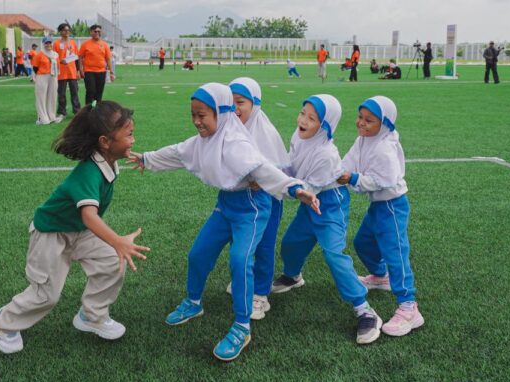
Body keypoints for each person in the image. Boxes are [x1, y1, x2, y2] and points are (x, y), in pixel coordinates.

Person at [128, 83, 320, 361]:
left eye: (202, 115)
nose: (196, 121)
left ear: (220, 113)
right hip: (227, 205)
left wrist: (294, 188)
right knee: (198, 253)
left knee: (240, 260)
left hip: (252, 209)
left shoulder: (235, 142)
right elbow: (179, 152)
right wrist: (147, 158)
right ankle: (193, 302)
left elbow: (263, 169)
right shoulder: (205, 139)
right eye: (193, 114)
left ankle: (242, 327)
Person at [0, 100, 149, 354]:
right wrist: (118, 241)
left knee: (112, 262)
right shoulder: (88, 172)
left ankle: (91, 316)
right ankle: (5, 322)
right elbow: (89, 216)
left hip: (79, 231)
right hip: (51, 234)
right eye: (129, 135)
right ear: (105, 142)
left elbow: (87, 220)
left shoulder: (108, 159)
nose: (133, 140)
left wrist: (144, 158)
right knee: (46, 294)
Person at [272, 94, 382, 345]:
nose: (302, 120)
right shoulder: (298, 136)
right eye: (303, 113)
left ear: (325, 126)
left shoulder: (326, 154)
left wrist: (276, 184)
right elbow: (291, 167)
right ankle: (293, 276)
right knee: (291, 243)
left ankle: (365, 309)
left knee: (333, 254)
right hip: (310, 202)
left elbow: (306, 188)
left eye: (312, 118)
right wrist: (273, 172)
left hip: (329, 204)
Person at [339, 96, 424, 337]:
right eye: (360, 117)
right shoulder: (364, 140)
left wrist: (352, 178)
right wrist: (334, 170)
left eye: (369, 120)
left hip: (392, 206)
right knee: (362, 243)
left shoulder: (385, 147)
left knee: (396, 254)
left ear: (384, 124)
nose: (361, 123)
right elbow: (348, 162)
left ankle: (409, 308)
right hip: (378, 206)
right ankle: (380, 276)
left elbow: (383, 181)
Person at [225, 77, 292, 320]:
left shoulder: (265, 132)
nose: (235, 108)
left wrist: (259, 180)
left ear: (255, 104)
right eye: (230, 102)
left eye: (240, 102)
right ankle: (243, 280)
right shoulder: (231, 128)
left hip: (268, 201)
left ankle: (260, 294)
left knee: (263, 245)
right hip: (242, 201)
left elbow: (277, 169)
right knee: (241, 243)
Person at [78, 24, 114, 107]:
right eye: (95, 31)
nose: (97, 33)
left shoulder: (105, 45)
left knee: (99, 92)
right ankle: (88, 110)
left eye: (99, 31)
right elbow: (80, 58)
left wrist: (111, 72)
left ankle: (97, 111)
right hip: (89, 71)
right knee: (91, 91)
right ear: (91, 32)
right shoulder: (85, 44)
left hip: (101, 72)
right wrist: (80, 70)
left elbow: (108, 59)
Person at [54, 23, 81, 119]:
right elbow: (54, 57)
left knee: (75, 92)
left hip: (72, 72)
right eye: (65, 30)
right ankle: (62, 112)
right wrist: (59, 61)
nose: (67, 32)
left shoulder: (73, 43)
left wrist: (78, 71)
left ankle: (77, 111)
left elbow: (77, 58)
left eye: (68, 30)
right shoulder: (56, 43)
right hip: (61, 73)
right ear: (60, 31)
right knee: (61, 93)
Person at [31, 37, 60, 125]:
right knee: (41, 97)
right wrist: (37, 76)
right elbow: (35, 68)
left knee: (52, 96)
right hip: (42, 76)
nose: (48, 45)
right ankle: (42, 117)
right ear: (43, 44)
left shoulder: (56, 55)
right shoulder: (39, 54)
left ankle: (52, 116)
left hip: (53, 76)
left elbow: (58, 66)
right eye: (46, 43)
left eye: (50, 43)